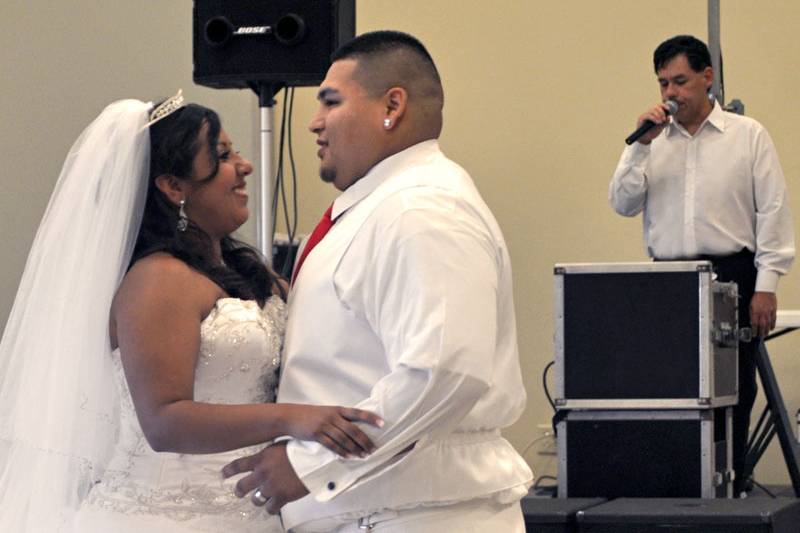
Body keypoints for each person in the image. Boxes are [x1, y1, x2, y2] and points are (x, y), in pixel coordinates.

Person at [0, 94, 382, 532]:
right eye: (222, 156)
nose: (245, 166)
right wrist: (294, 417)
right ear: (173, 187)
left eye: (235, 151)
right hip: (162, 516)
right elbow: (165, 421)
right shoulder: (157, 279)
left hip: (254, 512)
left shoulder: (251, 273)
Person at [223, 30, 533, 532]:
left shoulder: (423, 209)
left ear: (392, 106)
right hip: (378, 509)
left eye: (331, 102)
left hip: (417, 514)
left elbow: (443, 370)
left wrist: (310, 463)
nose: (314, 123)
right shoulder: (381, 206)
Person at [609, 35, 795, 495]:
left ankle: (732, 488)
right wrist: (638, 148)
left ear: (707, 78)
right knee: (668, 389)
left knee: (733, 393)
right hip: (668, 281)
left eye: (681, 81)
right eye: (663, 84)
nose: (671, 93)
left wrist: (767, 285)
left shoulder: (747, 135)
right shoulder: (651, 143)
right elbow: (621, 203)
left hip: (733, 274)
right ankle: (675, 488)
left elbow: (773, 211)